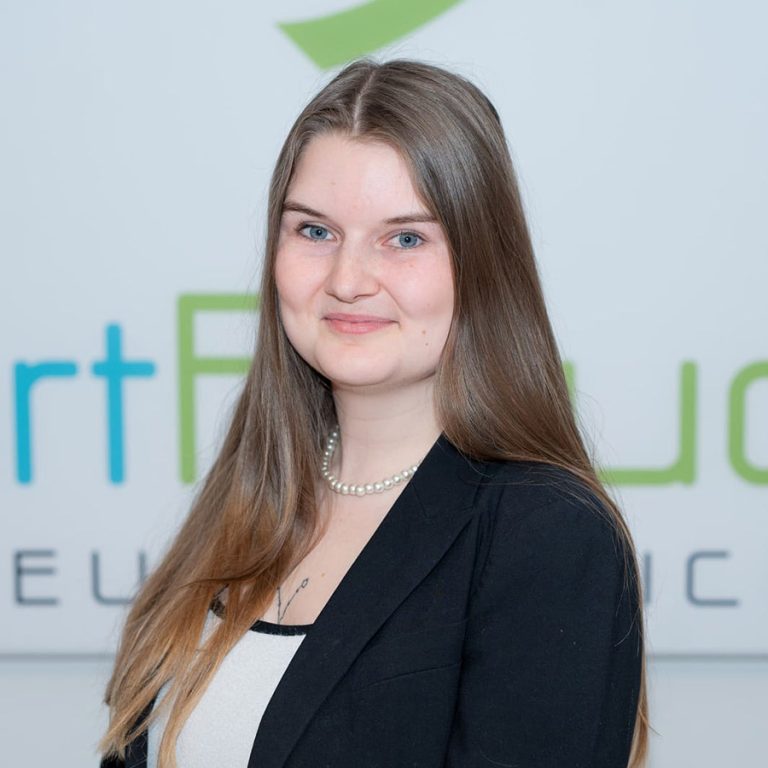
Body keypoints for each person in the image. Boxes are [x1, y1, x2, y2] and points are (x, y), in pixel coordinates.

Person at [98, 57, 649, 768]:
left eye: (406, 238)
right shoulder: (249, 493)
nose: (348, 280)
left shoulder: (546, 534)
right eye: (314, 231)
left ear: (483, 264)